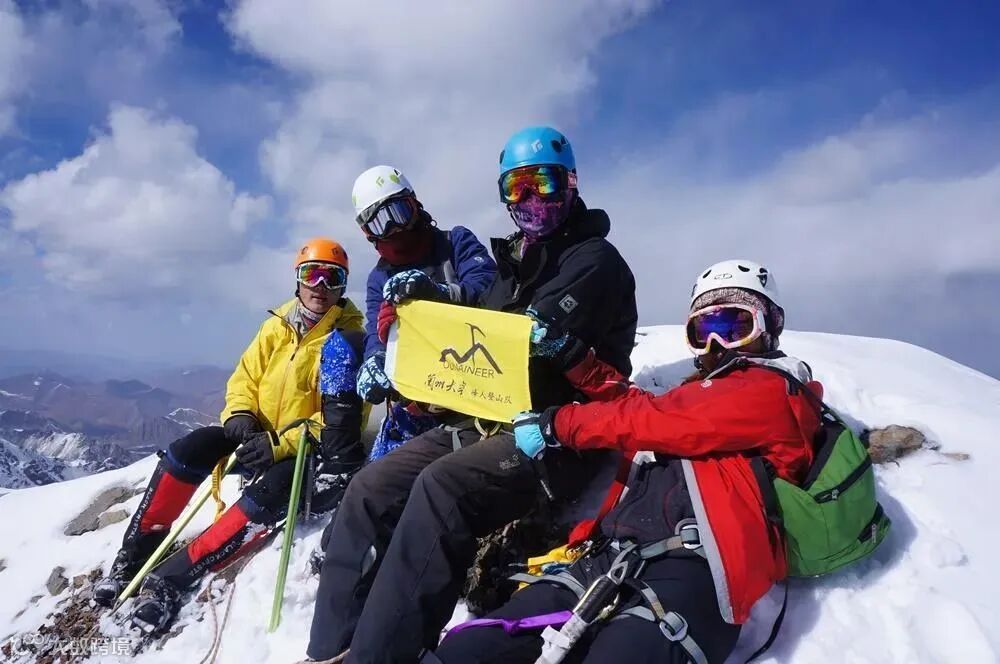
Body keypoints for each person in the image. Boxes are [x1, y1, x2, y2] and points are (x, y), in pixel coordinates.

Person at [304, 126, 638, 663]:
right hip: (484, 416)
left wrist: (441, 307)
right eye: (515, 188)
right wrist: (397, 362)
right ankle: (330, 648)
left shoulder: (593, 261)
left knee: (442, 487)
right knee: (369, 489)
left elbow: (514, 340)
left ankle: (382, 655)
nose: (529, 201)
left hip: (555, 428)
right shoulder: (519, 261)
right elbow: (477, 331)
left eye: (542, 184)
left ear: (570, 183)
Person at [433, 260, 821, 664]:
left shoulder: (775, 392)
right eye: (703, 330)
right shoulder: (694, 400)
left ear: (771, 325)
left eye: (735, 326)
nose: (717, 344)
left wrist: (558, 424)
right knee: (467, 650)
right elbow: (639, 407)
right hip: (608, 556)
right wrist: (572, 357)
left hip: (696, 571)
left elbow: (654, 420)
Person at [93, 239, 368, 634]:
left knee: (274, 487)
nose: (320, 286)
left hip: (305, 452)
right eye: (312, 274)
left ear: (343, 286)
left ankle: (171, 581)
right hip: (258, 436)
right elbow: (245, 379)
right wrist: (240, 414)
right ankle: (132, 559)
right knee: (189, 450)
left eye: (332, 277)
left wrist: (281, 445)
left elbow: (343, 422)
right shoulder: (277, 326)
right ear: (298, 280)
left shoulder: (349, 339)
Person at [349, 165, 497, 460]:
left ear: (415, 205)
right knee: (377, 477)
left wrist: (440, 294)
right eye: (380, 223)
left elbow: (490, 285)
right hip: (420, 399)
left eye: (399, 212)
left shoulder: (454, 242)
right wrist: (375, 359)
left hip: (478, 384)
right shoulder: (380, 277)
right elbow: (375, 331)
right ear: (368, 233)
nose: (395, 228)